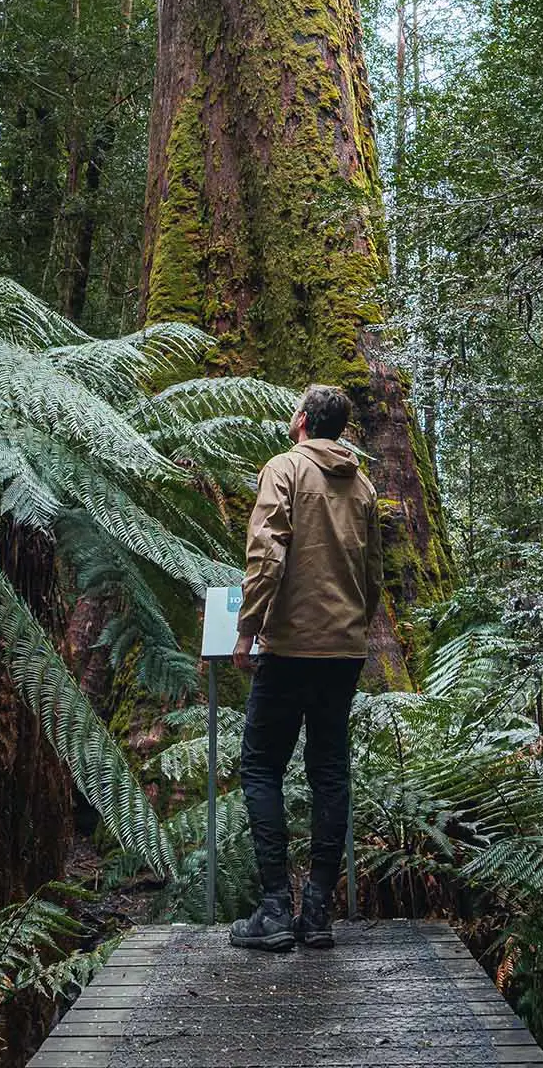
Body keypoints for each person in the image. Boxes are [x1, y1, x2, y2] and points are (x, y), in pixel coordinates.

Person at [227, 382, 378, 953]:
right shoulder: (361, 485)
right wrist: (358, 631)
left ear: (301, 420)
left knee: (262, 766)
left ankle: (273, 909)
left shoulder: (284, 470)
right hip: (344, 651)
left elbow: (267, 554)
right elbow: (374, 574)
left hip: (290, 648)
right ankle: (316, 911)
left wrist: (248, 630)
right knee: (330, 772)